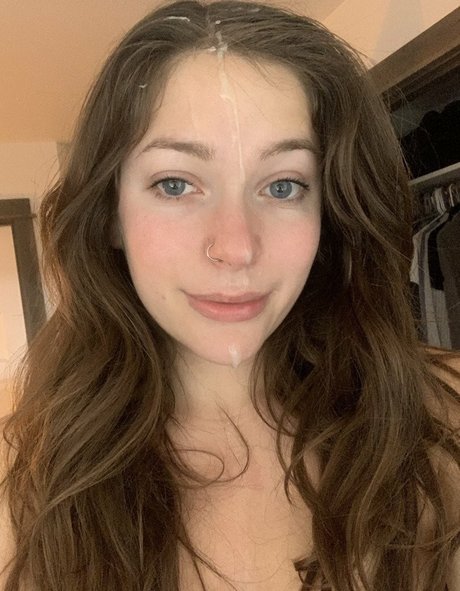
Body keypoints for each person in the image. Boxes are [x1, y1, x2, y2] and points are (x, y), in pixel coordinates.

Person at [0, 1, 459, 589]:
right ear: (110, 214)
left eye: (283, 185)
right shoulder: (23, 481)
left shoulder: (440, 421)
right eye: (175, 184)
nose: (237, 247)